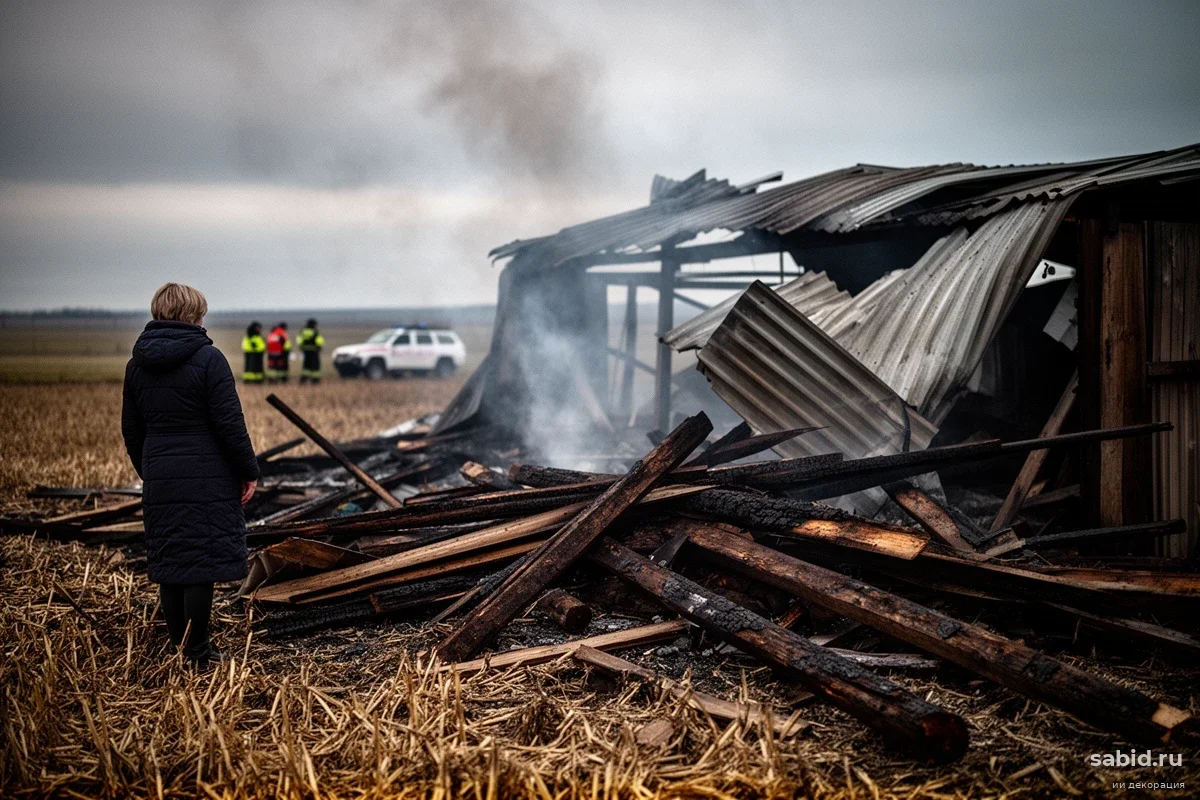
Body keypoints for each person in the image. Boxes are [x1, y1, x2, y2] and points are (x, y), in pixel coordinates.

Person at [121, 283, 259, 668]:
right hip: (207, 473)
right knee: (200, 562)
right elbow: (230, 424)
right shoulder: (209, 358)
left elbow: (131, 431)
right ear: (194, 315)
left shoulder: (136, 365)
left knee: (171, 563)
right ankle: (198, 652)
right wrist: (247, 470)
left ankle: (179, 646)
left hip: (160, 471)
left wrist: (149, 470)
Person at [297, 318, 325, 384]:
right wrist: (319, 346)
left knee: (306, 365)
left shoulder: (303, 331)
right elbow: (319, 340)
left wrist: (302, 347)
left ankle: (303, 379)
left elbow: (299, 340)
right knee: (315, 366)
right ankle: (315, 380)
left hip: (305, 351)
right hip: (314, 351)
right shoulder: (314, 331)